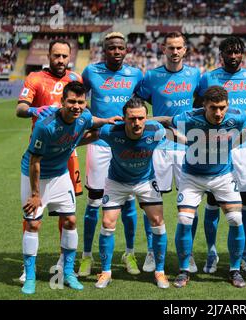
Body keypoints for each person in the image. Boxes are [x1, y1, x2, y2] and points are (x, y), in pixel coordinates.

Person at [155, 86, 246, 288]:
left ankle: (234, 270)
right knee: (184, 218)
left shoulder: (237, 117)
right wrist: (146, 122)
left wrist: (234, 143)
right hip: (192, 176)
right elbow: (166, 122)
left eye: (222, 108)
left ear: (228, 105)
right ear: (204, 105)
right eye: (213, 108)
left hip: (223, 175)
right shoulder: (187, 118)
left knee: (235, 218)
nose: (218, 113)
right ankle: (184, 269)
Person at [20, 81, 121, 294]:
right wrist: (36, 195)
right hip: (35, 176)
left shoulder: (83, 116)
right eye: (72, 102)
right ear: (62, 102)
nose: (76, 106)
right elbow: (34, 161)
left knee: (70, 220)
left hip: (60, 174)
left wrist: (106, 120)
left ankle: (67, 272)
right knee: (33, 225)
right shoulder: (45, 125)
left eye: (81, 102)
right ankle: (29, 277)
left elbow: (91, 120)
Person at [194, 36, 246, 274]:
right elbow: (196, 110)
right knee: (213, 202)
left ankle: (243, 254)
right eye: (228, 52)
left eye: (237, 52)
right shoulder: (208, 78)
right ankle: (211, 251)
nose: (233, 56)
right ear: (221, 54)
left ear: (242, 54)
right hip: (217, 149)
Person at [16, 39, 83, 282]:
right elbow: (20, 108)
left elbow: (83, 111)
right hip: (43, 148)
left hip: (69, 152)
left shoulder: (75, 78)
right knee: (33, 212)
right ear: (49, 55)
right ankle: (27, 267)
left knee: (68, 213)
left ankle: (63, 261)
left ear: (70, 56)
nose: (61, 60)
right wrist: (35, 110)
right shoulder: (35, 78)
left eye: (65, 56)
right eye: (56, 55)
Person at [78, 32, 144, 277]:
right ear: (104, 50)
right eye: (112, 48)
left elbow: (143, 103)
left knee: (128, 201)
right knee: (94, 201)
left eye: (120, 48)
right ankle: (87, 256)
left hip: (127, 146)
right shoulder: (90, 72)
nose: (116, 51)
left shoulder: (135, 74)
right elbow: (78, 99)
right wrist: (91, 121)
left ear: (126, 50)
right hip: (100, 143)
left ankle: (129, 253)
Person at [135, 31, 200, 273]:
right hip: (159, 147)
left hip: (187, 146)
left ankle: (188, 252)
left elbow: (203, 104)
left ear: (185, 50)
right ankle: (152, 251)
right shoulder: (151, 76)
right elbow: (137, 104)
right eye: (170, 48)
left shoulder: (195, 75)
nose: (174, 52)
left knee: (190, 204)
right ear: (163, 49)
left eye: (179, 48)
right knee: (151, 201)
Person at [95, 98, 170, 289]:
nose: (136, 123)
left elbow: (174, 131)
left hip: (145, 181)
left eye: (140, 118)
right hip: (117, 181)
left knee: (158, 222)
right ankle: (105, 272)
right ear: (124, 119)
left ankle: (160, 272)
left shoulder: (156, 131)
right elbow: (87, 132)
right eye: (131, 119)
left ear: (147, 118)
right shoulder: (110, 131)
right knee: (107, 223)